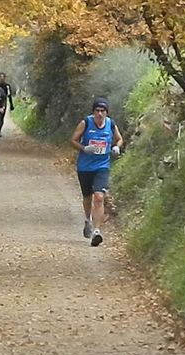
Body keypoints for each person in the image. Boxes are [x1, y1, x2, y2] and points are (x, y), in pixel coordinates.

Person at [70, 97, 123, 247]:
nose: (100, 114)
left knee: (99, 197)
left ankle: (97, 231)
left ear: (107, 112)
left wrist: (117, 147)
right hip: (85, 167)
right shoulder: (85, 123)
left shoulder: (111, 124)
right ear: (93, 112)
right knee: (87, 197)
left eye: (102, 111)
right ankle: (88, 220)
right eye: (97, 111)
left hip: (102, 166)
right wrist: (83, 148)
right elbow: (73, 140)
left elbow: (119, 139)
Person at [0, 72, 14, 137]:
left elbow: (9, 95)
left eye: (3, 77)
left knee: (1, 117)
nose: (2, 78)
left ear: (5, 78)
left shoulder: (7, 86)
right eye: (0, 77)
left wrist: (11, 105)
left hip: (3, 102)